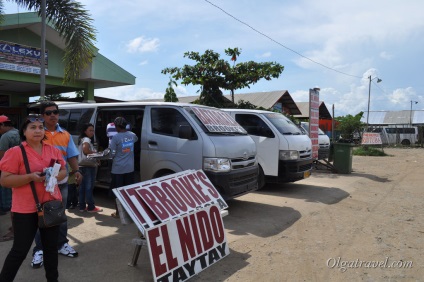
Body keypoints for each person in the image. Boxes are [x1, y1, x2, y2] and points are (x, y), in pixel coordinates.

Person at [0, 114, 67, 282]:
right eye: (32, 127)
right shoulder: (15, 152)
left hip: (51, 205)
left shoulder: (52, 149)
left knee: (51, 248)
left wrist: (55, 176)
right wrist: (30, 177)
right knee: (20, 250)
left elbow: (64, 171)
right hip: (25, 208)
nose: (37, 131)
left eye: (40, 127)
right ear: (24, 131)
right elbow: (5, 180)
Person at [31, 101, 82, 269]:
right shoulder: (37, 133)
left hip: (61, 182)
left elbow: (72, 156)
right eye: (48, 112)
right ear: (42, 116)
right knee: (42, 216)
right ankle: (40, 249)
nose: (53, 115)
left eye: (55, 112)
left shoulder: (65, 135)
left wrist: (77, 171)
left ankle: (61, 244)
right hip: (42, 184)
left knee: (61, 215)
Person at [109, 117, 138, 218]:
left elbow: (112, 154)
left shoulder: (116, 138)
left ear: (117, 126)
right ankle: (129, 213)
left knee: (117, 193)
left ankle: (118, 213)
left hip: (118, 169)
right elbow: (135, 140)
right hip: (129, 168)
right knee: (127, 192)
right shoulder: (132, 135)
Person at [0, 115, 21, 243]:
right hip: (22, 175)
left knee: (13, 205)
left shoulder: (5, 137)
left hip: (10, 175)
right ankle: (16, 227)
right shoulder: (20, 133)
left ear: (2, 125)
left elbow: (1, 159)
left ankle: (15, 230)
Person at [78, 123, 102, 213]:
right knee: (89, 187)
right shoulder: (87, 139)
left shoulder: (82, 139)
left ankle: (82, 206)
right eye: (90, 130)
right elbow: (86, 150)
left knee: (82, 187)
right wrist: (97, 154)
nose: (92, 132)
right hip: (88, 166)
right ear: (85, 131)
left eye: (93, 130)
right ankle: (91, 207)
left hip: (82, 165)